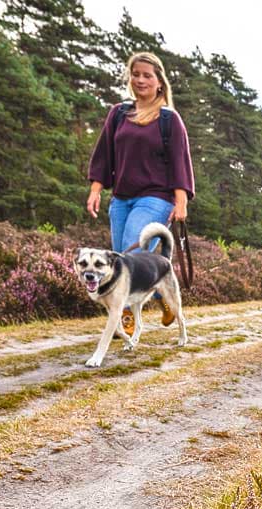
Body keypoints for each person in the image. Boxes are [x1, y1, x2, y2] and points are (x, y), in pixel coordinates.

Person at [87, 51, 195, 335]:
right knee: (118, 258)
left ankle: (125, 314)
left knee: (126, 254)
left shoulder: (169, 119)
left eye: (147, 75)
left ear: (160, 82)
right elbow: (103, 154)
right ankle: (160, 292)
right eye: (135, 74)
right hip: (121, 198)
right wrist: (96, 188)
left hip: (156, 198)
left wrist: (181, 200)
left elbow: (180, 161)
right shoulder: (119, 113)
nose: (140, 80)